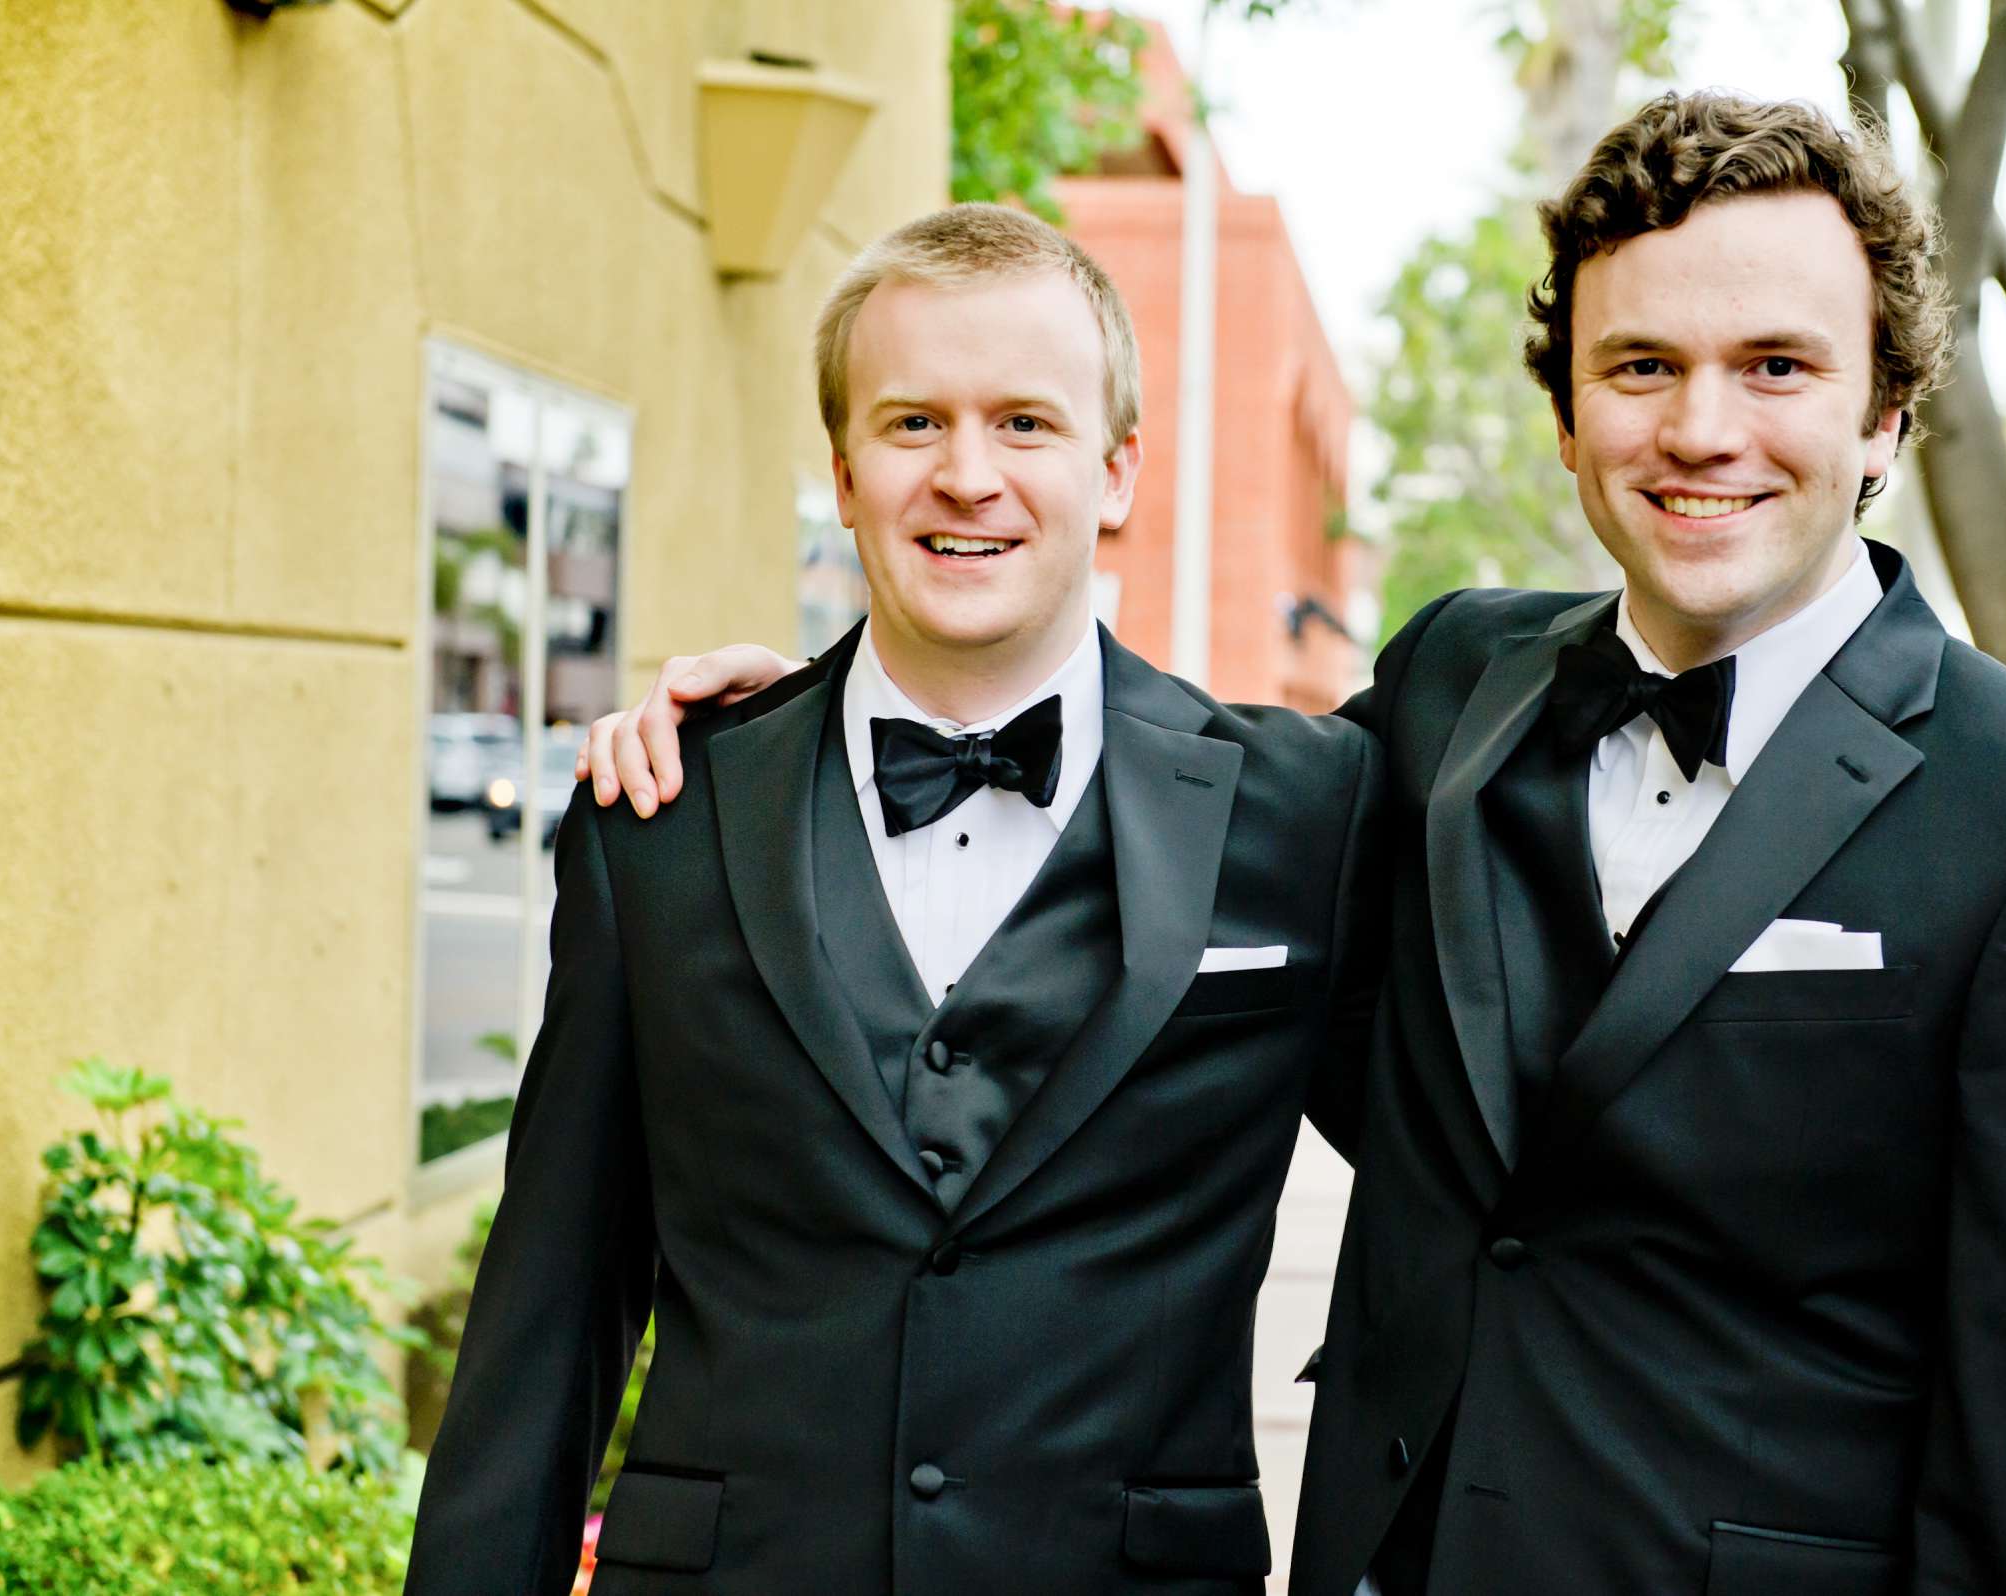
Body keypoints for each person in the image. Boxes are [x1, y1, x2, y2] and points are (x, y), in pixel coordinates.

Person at [586, 94, 2006, 1596]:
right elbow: (1158, 803)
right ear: (1569, 419)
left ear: (1889, 413)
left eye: (1777, 367)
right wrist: (799, 732)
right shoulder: (1456, 688)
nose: (1701, 428)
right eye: (1639, 366)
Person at [407, 203, 1384, 1596]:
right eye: (914, 423)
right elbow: (549, 1318)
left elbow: (1471, 1196)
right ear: (845, 471)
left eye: (1026, 425)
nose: (966, 475)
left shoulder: (1307, 810)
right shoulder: (665, 815)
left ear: (1115, 474)